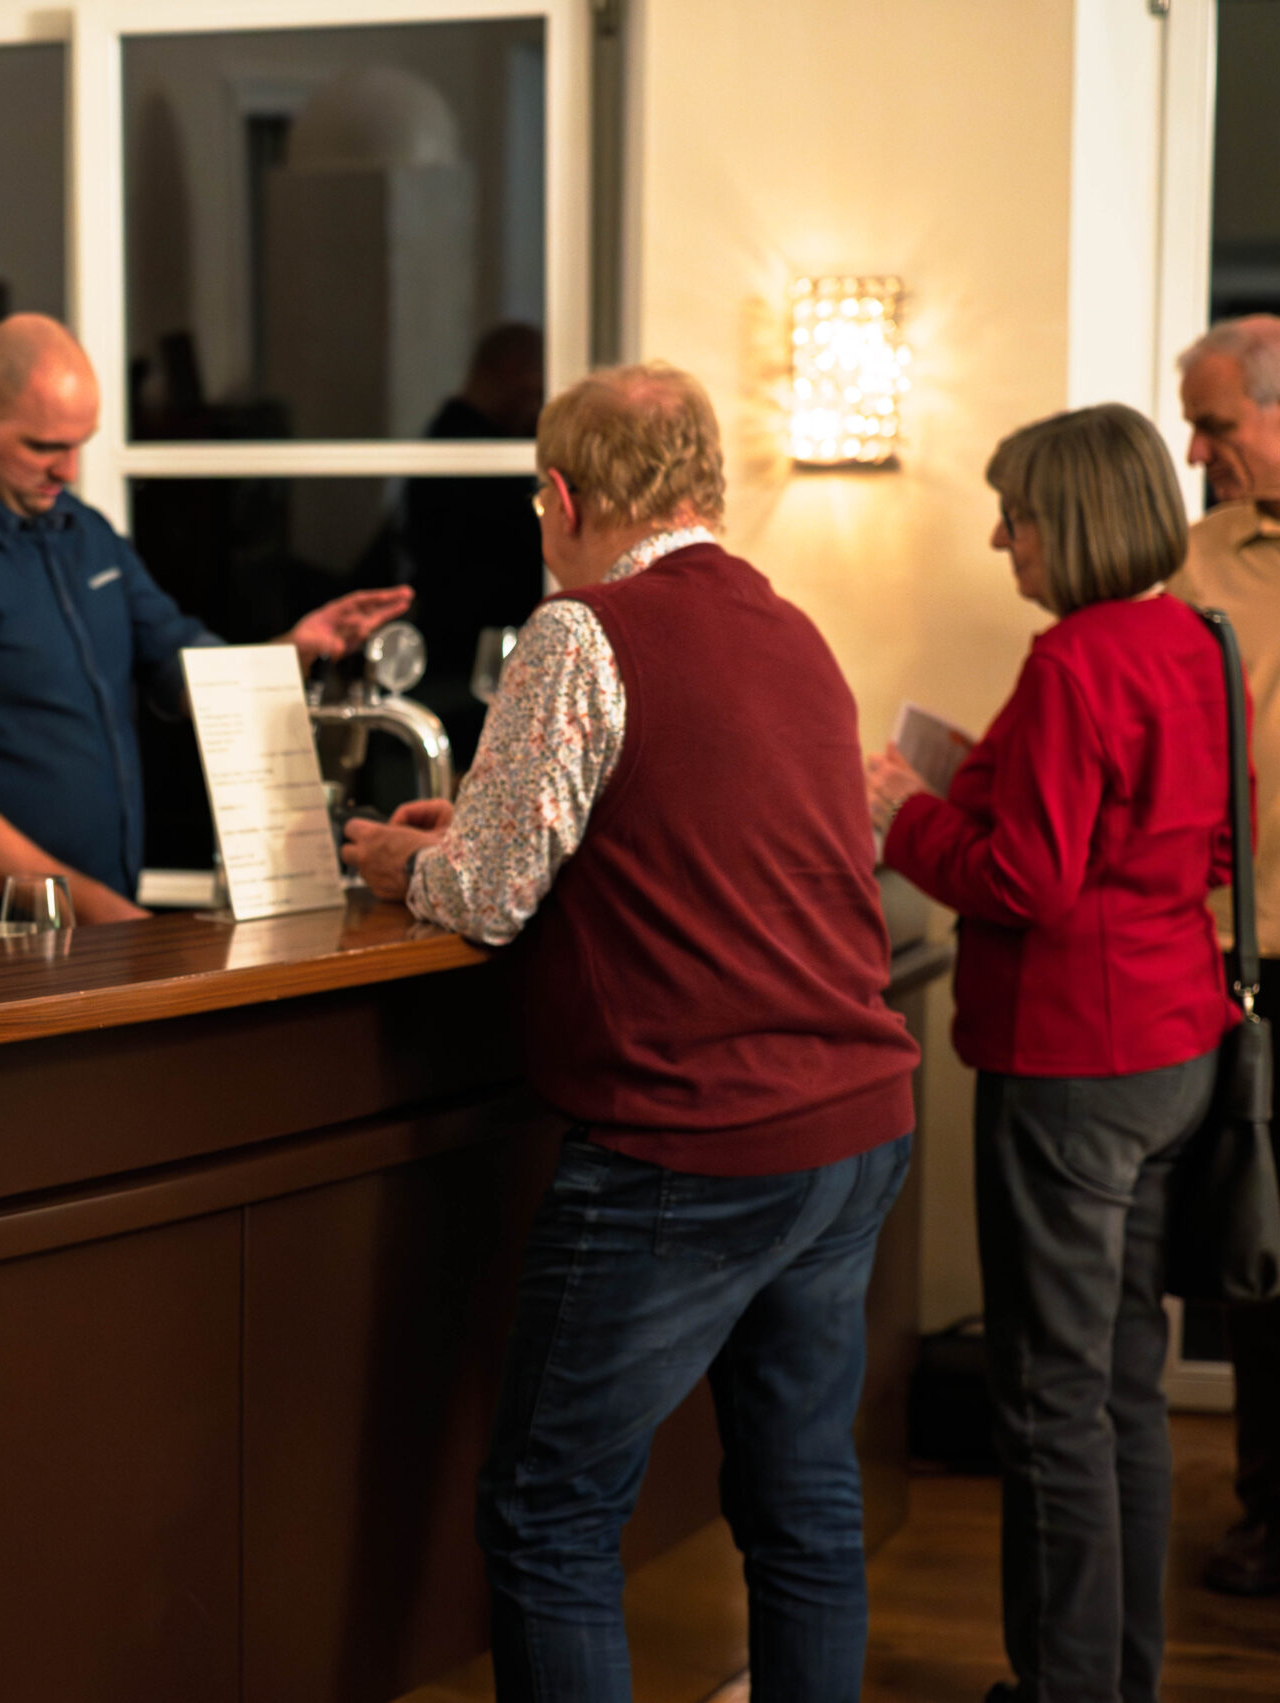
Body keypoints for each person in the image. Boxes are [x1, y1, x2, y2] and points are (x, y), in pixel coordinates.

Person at [341, 362, 920, 1703]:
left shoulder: (580, 629)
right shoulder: (790, 626)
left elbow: (489, 896)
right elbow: (692, 821)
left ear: (561, 496)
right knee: (803, 1501)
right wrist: (483, 821)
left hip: (695, 1135)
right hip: (853, 1119)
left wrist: (404, 861)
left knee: (548, 1514)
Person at [867, 404, 1237, 1703]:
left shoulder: (1075, 660)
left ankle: (1066, 1688)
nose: (1000, 539)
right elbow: (1213, 842)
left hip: (1073, 1059)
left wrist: (905, 812)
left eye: (1014, 515)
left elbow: (1022, 880)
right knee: (1123, 1387)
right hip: (1175, 1042)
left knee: (1048, 1398)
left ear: (1068, 522)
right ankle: (1114, 1677)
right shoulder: (1198, 637)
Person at [0, 312, 411, 925]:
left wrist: (294, 649)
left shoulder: (82, 531)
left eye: (79, 444)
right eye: (44, 447)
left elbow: (179, 663)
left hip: (90, 936)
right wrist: (116, 920)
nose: (69, 470)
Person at [1171, 314, 1280, 1598]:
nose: (1195, 451)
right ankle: (1279, 1506)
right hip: (1254, 966)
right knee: (1266, 1252)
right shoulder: (1193, 565)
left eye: (1213, 424)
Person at [402, 322, 548, 768]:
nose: (536, 402)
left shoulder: (473, 436)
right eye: (532, 387)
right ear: (508, 373)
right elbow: (507, 552)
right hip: (461, 649)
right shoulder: (465, 447)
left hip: (465, 643)